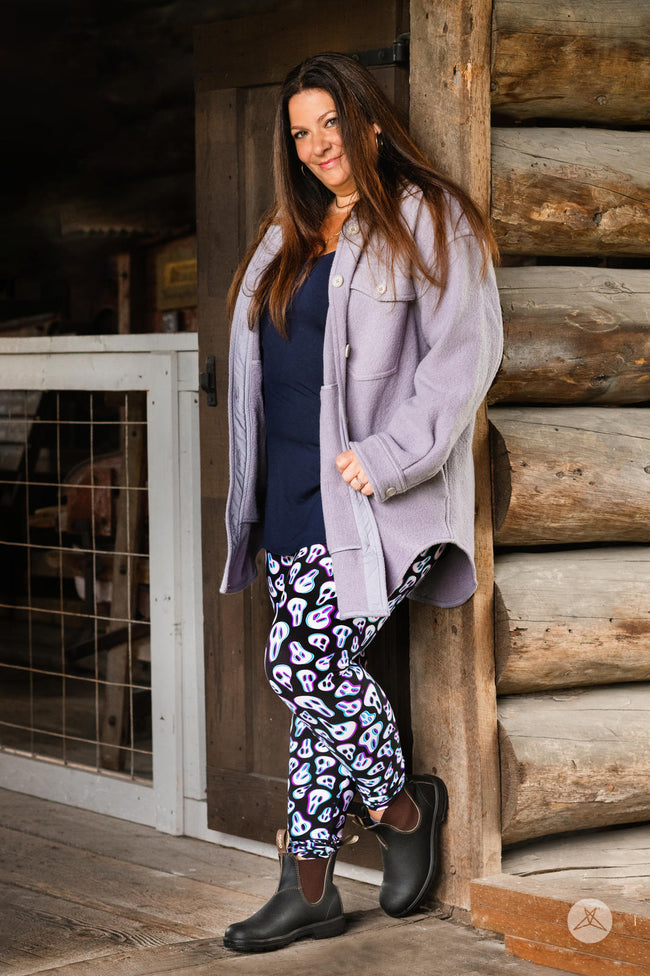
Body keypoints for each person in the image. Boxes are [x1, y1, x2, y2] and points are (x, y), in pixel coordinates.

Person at [219, 52, 503, 953]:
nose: (317, 145)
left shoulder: (430, 217)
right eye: (301, 133)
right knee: (317, 681)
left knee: (302, 666)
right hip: (292, 496)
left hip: (375, 496)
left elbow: (464, 356)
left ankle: (400, 810)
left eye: (330, 123)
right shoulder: (287, 232)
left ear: (370, 122)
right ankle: (309, 885)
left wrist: (387, 457)